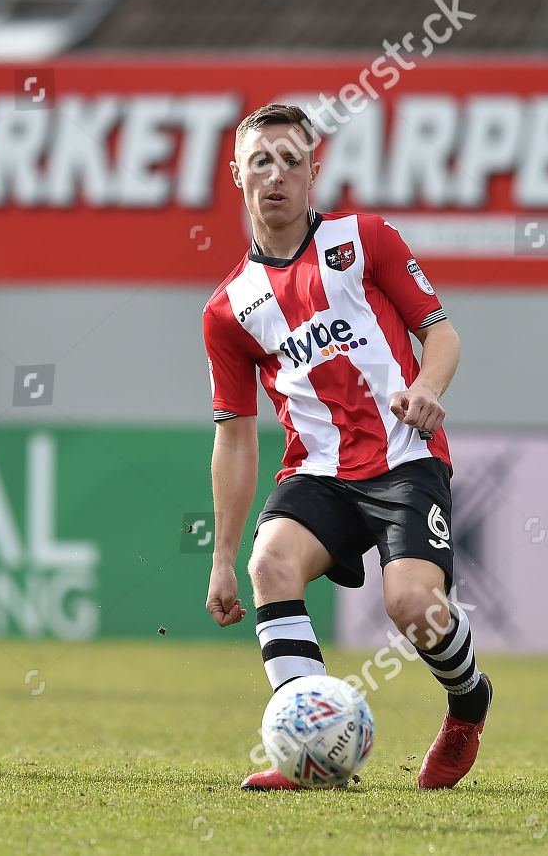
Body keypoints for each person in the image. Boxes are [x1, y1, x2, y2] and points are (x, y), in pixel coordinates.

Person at [202, 103, 491, 791]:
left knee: (413, 607)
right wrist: (221, 557)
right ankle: (305, 756)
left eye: (291, 161)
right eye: (261, 160)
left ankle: (468, 703)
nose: (276, 175)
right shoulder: (228, 308)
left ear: (313, 174)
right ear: (237, 172)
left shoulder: (365, 240)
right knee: (269, 565)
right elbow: (236, 439)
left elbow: (442, 335)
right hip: (317, 473)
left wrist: (425, 387)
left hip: (404, 459)